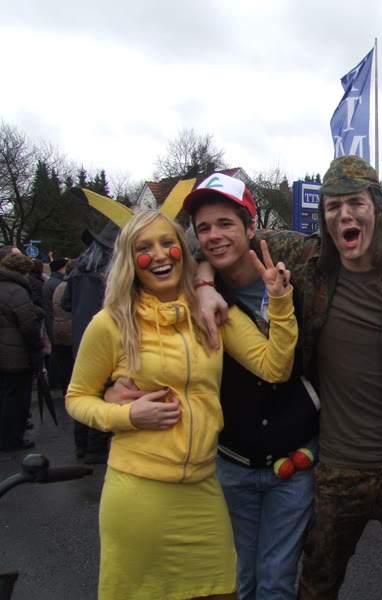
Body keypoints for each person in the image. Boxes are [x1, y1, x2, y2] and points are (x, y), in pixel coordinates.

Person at [196, 156, 382, 600]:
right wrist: (204, 284)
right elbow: (219, 241)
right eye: (333, 206)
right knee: (315, 586)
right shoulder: (306, 259)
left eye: (355, 203)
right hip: (335, 467)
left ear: (376, 207)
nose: (344, 215)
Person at [65, 210, 297, 600]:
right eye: (144, 248)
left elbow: (275, 367)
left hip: (203, 490)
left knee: (222, 590)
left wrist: (279, 302)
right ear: (130, 260)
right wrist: (126, 415)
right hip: (138, 492)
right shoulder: (113, 323)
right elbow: (77, 398)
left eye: (167, 243)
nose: (159, 255)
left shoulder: (210, 311)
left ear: (182, 251)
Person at [108, 173, 319, 600]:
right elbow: (142, 342)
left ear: (251, 227)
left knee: (277, 581)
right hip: (230, 461)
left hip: (293, 460)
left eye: (225, 223)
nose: (215, 235)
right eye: (204, 228)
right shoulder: (183, 296)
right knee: (238, 580)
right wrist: (114, 387)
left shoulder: (294, 280)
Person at [61, 222, 118, 463]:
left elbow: (65, 303)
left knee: (85, 390)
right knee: (103, 392)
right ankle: (95, 450)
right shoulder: (112, 272)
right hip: (104, 339)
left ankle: (81, 446)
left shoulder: (78, 271)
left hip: (80, 338)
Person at [0, 252, 42, 451]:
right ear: (23, 271)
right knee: (16, 399)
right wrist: (37, 346)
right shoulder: (17, 291)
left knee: (4, 395)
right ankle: (11, 439)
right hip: (15, 355)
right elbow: (28, 324)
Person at [51, 259, 78, 393]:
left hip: (59, 331)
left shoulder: (59, 286)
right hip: (72, 331)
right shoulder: (73, 287)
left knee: (65, 367)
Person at [43, 256, 69, 389]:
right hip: (59, 324)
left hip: (55, 323)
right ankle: (56, 382)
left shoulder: (51, 282)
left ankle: (56, 381)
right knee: (60, 358)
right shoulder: (57, 284)